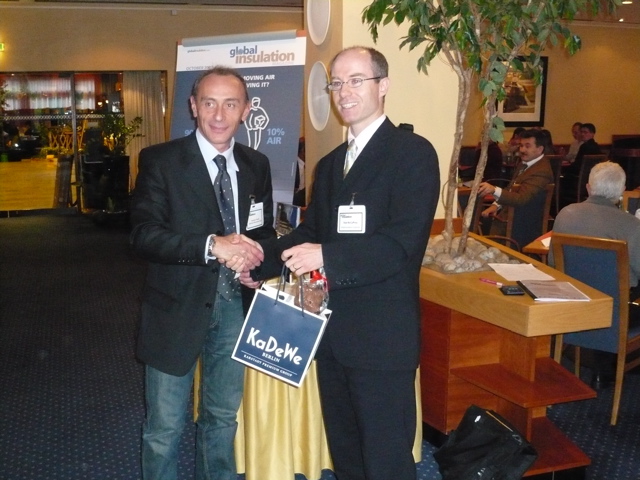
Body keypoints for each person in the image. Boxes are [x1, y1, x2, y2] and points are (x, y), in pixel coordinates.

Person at [245, 46, 440, 480]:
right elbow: (310, 232)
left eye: (356, 80)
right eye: (336, 83)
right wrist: (259, 261)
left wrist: (326, 256)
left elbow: (400, 245)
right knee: (346, 454)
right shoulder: (332, 163)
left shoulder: (412, 153)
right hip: (330, 335)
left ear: (383, 86)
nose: (344, 92)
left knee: (386, 461)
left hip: (381, 339)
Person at [130, 66, 276, 480]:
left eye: (230, 104)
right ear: (193, 106)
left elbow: (262, 230)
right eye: (209, 103)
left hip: (235, 310)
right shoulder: (160, 161)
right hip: (176, 308)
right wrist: (212, 245)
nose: (219, 114)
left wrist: (257, 266)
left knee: (222, 418)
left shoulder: (256, 164)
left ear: (246, 110)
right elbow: (144, 235)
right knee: (164, 428)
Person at [552, 161, 640, 387]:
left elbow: (553, 262)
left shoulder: (565, 214)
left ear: (588, 188)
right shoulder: (632, 225)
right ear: (622, 192)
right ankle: (609, 368)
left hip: (571, 303)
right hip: (613, 313)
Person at [478, 129, 554, 249]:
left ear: (540, 149)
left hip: (522, 224)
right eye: (521, 145)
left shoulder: (541, 171)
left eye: (527, 146)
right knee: (479, 217)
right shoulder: (525, 164)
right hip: (512, 216)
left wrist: (494, 190)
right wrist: (496, 205)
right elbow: (511, 188)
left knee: (478, 223)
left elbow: (521, 199)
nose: (522, 150)